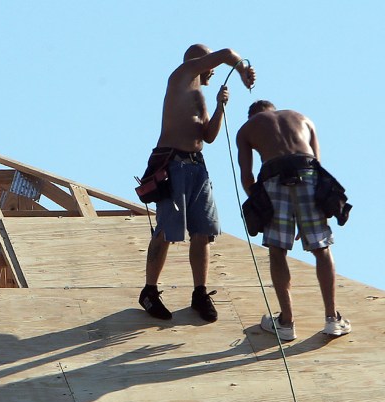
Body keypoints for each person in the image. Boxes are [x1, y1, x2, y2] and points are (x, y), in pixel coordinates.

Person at [139, 44, 256, 322]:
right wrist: (241, 69)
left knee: (203, 231)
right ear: (199, 63)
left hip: (196, 165)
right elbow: (228, 53)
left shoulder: (199, 95)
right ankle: (150, 291)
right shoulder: (181, 76)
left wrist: (219, 107)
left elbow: (209, 135)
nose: (213, 71)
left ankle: (199, 293)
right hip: (173, 164)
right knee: (167, 229)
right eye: (209, 64)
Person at [236, 100, 352, 340]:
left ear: (252, 116)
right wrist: (304, 211)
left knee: (277, 251)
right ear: (273, 109)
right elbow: (318, 166)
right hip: (308, 173)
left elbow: (247, 178)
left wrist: (263, 206)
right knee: (321, 247)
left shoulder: (247, 129)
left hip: (273, 178)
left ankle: (286, 323)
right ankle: (332, 319)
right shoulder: (302, 117)